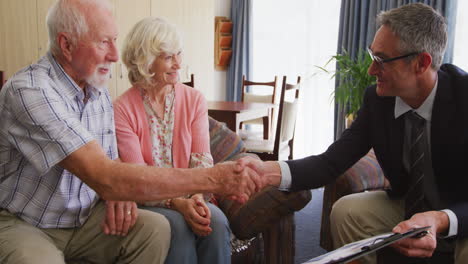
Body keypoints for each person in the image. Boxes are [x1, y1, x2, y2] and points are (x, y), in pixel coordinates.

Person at [0, 0, 261, 263]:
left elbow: (112, 164)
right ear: (66, 45)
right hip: (28, 222)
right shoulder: (30, 91)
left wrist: (116, 192)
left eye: (114, 40)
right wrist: (214, 179)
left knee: (156, 229)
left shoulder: (97, 92)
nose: (115, 55)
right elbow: (106, 174)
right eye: (104, 42)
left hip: (85, 217)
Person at [239, 3, 468, 264]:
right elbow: (331, 162)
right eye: (373, 57)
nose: (371, 71)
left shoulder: (464, 97)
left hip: (461, 210)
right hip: (411, 204)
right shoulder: (378, 100)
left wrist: (441, 219)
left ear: (421, 63)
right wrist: (267, 172)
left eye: (381, 60)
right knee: (347, 211)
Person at [114, 17, 231, 264]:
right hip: (149, 202)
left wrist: (197, 197)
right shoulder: (122, 109)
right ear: (145, 62)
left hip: (192, 195)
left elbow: (202, 160)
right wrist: (175, 202)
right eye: (168, 57)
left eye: (178, 54)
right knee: (177, 226)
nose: (178, 64)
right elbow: (136, 176)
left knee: (216, 221)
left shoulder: (194, 100)